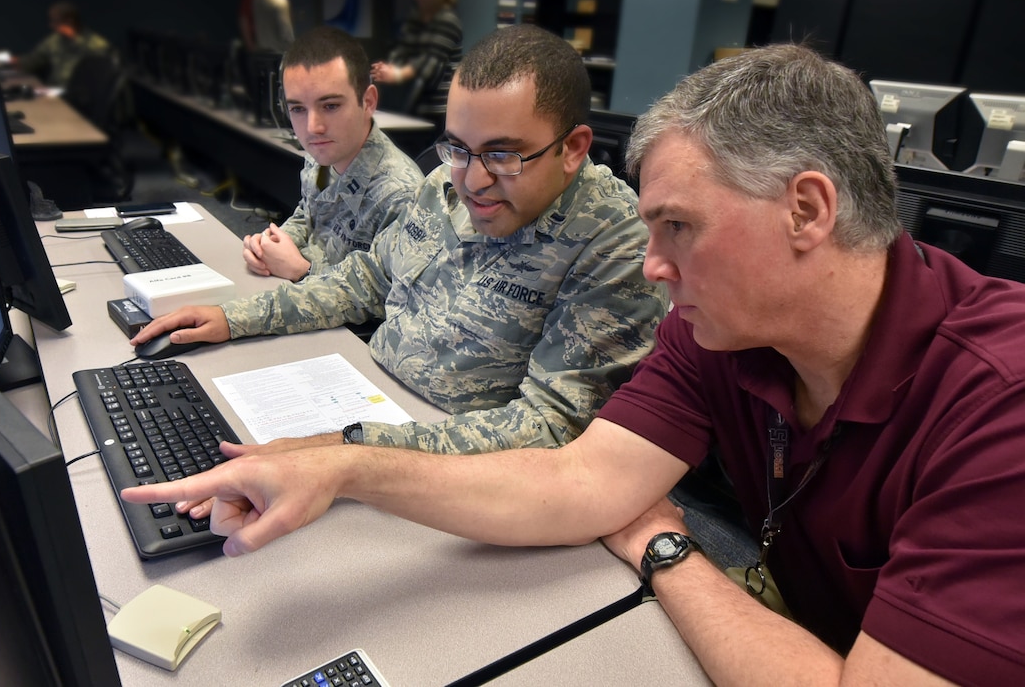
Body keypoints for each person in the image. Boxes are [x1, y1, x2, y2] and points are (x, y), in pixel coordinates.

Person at [125, 43, 1025, 684]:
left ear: (808, 210)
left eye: (678, 226)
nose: (653, 263)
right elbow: (575, 482)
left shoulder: (1002, 402)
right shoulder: (720, 328)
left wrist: (661, 546)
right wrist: (340, 469)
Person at [132, 24, 665, 457]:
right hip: (363, 392)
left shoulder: (616, 247)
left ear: (572, 148)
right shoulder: (444, 183)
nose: (472, 180)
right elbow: (367, 278)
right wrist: (236, 317)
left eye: (503, 155)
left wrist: (353, 449)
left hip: (446, 457)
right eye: (458, 147)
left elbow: (551, 426)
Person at [239, 26, 423, 282]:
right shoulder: (321, 155)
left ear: (368, 102)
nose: (313, 128)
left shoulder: (399, 195)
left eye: (331, 106)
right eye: (298, 109)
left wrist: (303, 271)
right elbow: (308, 214)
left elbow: (391, 297)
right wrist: (273, 244)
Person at [370, 0, 462, 124]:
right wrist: (388, 68)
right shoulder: (416, 19)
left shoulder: (448, 20)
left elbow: (430, 63)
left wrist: (398, 75)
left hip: (437, 109)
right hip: (413, 107)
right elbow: (402, 50)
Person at [17, 0, 112, 88]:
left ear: (69, 21)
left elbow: (103, 79)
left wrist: (73, 39)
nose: (51, 25)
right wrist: (15, 61)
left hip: (82, 95)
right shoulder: (54, 40)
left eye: (55, 21)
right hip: (56, 90)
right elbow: (34, 60)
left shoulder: (97, 45)